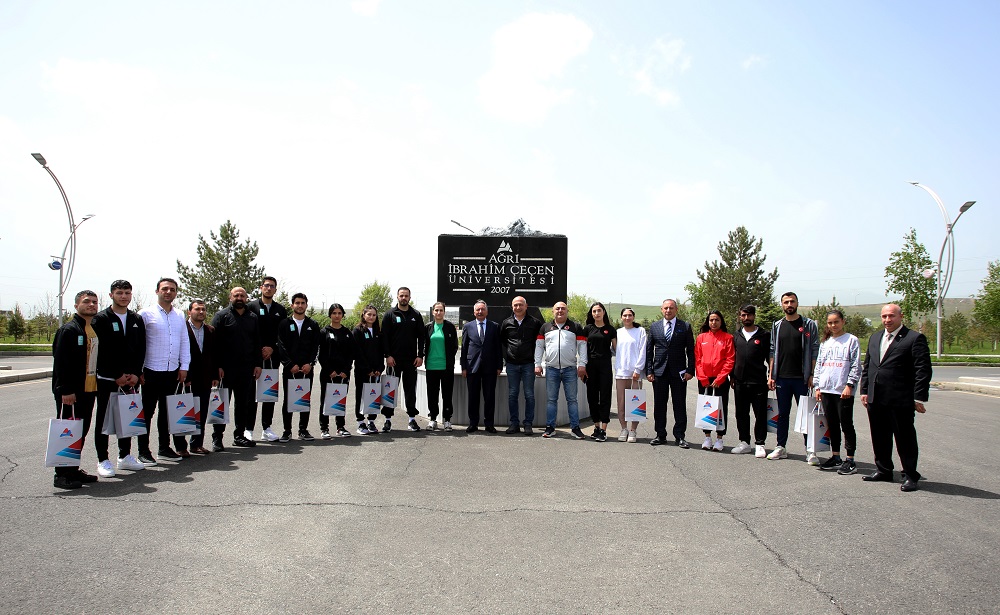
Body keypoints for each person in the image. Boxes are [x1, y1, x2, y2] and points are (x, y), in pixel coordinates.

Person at [860, 304, 931, 492]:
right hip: (876, 398)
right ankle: (883, 470)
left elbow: (922, 370)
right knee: (879, 436)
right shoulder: (875, 338)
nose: (887, 320)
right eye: (884, 316)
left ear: (901, 316)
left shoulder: (914, 338)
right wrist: (864, 390)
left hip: (900, 399)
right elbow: (868, 367)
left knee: (905, 438)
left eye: (891, 316)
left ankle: (910, 475)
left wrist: (919, 397)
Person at [91, 279, 147, 476]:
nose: (123, 296)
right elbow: (101, 351)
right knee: (104, 421)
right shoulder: (101, 319)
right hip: (108, 379)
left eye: (127, 293)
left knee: (128, 418)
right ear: (111, 295)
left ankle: (125, 456)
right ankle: (103, 459)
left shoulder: (136, 319)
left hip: (131, 380)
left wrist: (136, 373)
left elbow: (141, 348)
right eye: (119, 293)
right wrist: (116, 375)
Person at [51, 290, 101, 489]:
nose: (91, 305)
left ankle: (72, 469)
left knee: (80, 430)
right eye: (86, 302)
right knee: (66, 431)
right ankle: (61, 474)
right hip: (71, 392)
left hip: (89, 389)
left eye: (94, 302)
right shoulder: (69, 330)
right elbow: (61, 363)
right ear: (76, 305)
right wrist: (65, 390)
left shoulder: (92, 329)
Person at [138, 278, 191, 463]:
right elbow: (138, 344)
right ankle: (143, 451)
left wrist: (184, 367)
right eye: (165, 289)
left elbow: (184, 342)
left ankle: (164, 447)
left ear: (176, 293)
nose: (168, 292)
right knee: (147, 413)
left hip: (172, 372)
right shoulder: (145, 314)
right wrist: (139, 370)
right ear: (157, 291)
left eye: (172, 289)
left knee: (167, 413)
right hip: (151, 371)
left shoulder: (179, 314)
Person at [766, 291, 819, 460]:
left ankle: (810, 450)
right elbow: (773, 350)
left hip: (801, 378)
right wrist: (771, 375)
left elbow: (814, 351)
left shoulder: (808, 325)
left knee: (805, 414)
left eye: (792, 302)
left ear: (797, 303)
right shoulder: (777, 325)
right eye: (786, 302)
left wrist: (812, 374)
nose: (789, 305)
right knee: (782, 414)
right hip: (782, 377)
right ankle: (781, 446)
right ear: (782, 305)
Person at [210, 287, 262, 450]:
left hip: (246, 369)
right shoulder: (221, 316)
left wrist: (258, 364)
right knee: (221, 404)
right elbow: (213, 344)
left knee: (243, 404)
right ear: (230, 297)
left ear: (246, 298)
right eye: (236, 295)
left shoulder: (253, 317)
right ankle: (217, 438)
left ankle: (239, 435)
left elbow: (257, 343)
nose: (239, 298)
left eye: (242, 295)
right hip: (225, 370)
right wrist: (216, 366)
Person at [812, 309, 862, 474]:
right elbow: (819, 365)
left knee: (846, 425)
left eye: (836, 322)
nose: (833, 325)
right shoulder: (825, 343)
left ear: (843, 321)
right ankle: (836, 456)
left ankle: (850, 459)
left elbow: (856, 365)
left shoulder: (851, 340)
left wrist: (850, 385)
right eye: (830, 322)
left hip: (843, 391)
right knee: (832, 425)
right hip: (826, 389)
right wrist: (818, 387)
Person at [645, 299, 695, 448]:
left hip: (679, 373)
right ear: (661, 310)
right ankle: (660, 435)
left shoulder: (684, 326)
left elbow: (691, 351)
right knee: (660, 405)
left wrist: (690, 370)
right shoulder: (654, 327)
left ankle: (680, 436)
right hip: (659, 372)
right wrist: (649, 370)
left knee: (679, 405)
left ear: (676, 310)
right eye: (666, 308)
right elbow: (649, 351)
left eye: (671, 308)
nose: (668, 310)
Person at [534, 301, 588, 440]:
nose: (560, 311)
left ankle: (575, 428)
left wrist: (582, 364)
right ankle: (550, 428)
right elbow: (539, 347)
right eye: (557, 309)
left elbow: (582, 347)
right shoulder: (545, 327)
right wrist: (537, 364)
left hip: (570, 369)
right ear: (553, 311)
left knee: (572, 400)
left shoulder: (575, 327)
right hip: (551, 369)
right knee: (551, 400)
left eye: (563, 309)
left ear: (567, 311)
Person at [276, 293, 321, 442]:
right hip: (290, 370)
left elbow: (316, 347)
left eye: (302, 303)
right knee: (289, 399)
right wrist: (289, 365)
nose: (300, 305)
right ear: (292, 305)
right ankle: (287, 431)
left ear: (306, 305)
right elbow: (281, 346)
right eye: (297, 303)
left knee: (304, 399)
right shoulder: (284, 324)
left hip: (307, 369)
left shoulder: (313, 325)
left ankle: (303, 430)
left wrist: (310, 363)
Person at [381, 287, 427, 432]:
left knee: (410, 391)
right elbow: (384, 337)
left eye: (406, 296)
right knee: (390, 390)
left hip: (411, 361)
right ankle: (387, 420)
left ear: (410, 297)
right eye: (401, 295)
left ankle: (412, 419)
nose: (404, 298)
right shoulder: (390, 314)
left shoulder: (416, 315)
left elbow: (422, 337)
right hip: (393, 361)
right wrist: (387, 355)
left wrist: (420, 355)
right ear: (397, 297)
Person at [247, 276, 287, 442]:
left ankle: (266, 428)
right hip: (254, 357)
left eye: (272, 286)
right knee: (251, 394)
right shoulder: (252, 307)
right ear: (261, 287)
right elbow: (248, 332)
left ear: (275, 290)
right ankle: (248, 428)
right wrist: (259, 349)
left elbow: (283, 334)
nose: (269, 288)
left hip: (272, 356)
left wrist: (273, 347)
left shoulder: (280, 310)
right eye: (266, 285)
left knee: (268, 394)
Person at [730, 305, 772, 458]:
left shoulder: (764, 335)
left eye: (749, 315)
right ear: (740, 317)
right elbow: (732, 358)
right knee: (741, 413)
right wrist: (732, 376)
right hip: (740, 381)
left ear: (754, 316)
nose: (746, 318)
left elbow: (770, 358)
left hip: (758, 381)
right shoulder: (736, 335)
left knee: (760, 414)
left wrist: (770, 376)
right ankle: (744, 442)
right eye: (743, 315)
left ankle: (760, 444)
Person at [500, 296, 543, 435]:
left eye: (520, 305)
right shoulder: (506, 323)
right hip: (512, 365)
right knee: (512, 395)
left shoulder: (535, 323)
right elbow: (502, 342)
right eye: (515, 305)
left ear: (526, 306)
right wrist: (507, 357)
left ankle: (528, 424)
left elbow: (540, 344)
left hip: (528, 365)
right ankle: (514, 424)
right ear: (512, 307)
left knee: (529, 395)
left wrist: (538, 363)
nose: (518, 307)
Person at [694, 310, 735, 452]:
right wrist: (702, 377)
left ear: (721, 321)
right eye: (711, 320)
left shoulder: (728, 338)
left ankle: (719, 438)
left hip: (720, 379)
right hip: (705, 379)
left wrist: (721, 377)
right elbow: (697, 359)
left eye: (717, 319)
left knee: (720, 409)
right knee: (706, 407)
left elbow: (730, 359)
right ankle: (707, 437)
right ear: (708, 321)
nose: (714, 322)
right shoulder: (701, 337)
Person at [461, 300, 503, 433]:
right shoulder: (468, 326)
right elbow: (464, 347)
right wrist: (463, 367)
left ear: (487, 311)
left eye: (482, 309)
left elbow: (498, 347)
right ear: (474, 312)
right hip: (472, 367)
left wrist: (499, 365)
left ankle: (489, 424)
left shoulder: (494, 326)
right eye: (478, 310)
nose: (480, 312)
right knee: (473, 397)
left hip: (490, 367)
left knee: (489, 396)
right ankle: (473, 423)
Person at [317, 303, 357, 438]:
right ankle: (324, 428)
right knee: (326, 399)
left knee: (340, 399)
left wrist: (346, 370)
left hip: (343, 373)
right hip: (328, 373)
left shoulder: (347, 333)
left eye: (339, 313)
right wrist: (329, 370)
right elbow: (321, 354)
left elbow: (351, 354)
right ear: (330, 315)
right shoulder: (324, 332)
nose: (337, 316)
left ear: (343, 315)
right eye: (334, 313)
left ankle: (341, 427)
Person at [185, 299, 218, 455]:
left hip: (204, 378)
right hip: (186, 378)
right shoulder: (182, 329)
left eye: (203, 309)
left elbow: (213, 356)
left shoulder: (210, 330)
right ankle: (180, 446)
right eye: (197, 309)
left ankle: (196, 444)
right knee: (183, 411)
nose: (201, 312)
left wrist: (214, 375)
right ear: (189, 312)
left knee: (201, 411)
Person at [583, 302, 616, 442]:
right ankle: (596, 427)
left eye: (599, 311)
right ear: (591, 314)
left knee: (605, 397)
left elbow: (616, 350)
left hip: (605, 367)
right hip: (590, 367)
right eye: (594, 311)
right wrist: (582, 366)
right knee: (592, 396)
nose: (596, 313)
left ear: (603, 312)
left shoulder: (610, 329)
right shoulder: (587, 329)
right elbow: (582, 349)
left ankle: (603, 429)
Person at [614, 307, 646, 443]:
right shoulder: (617, 332)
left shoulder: (640, 331)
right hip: (621, 373)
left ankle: (633, 430)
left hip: (635, 374)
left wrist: (638, 369)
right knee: (621, 403)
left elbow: (643, 350)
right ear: (621, 317)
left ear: (633, 317)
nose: (627, 318)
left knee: (635, 403)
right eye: (625, 315)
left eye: (630, 315)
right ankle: (624, 428)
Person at [424, 302, 458, 431]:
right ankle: (433, 419)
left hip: (446, 367)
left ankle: (447, 420)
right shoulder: (427, 327)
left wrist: (448, 359)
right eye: (436, 310)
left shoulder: (449, 327)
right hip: (431, 366)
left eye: (441, 310)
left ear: (444, 312)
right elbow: (423, 344)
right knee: (432, 394)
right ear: (433, 312)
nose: (438, 313)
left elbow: (455, 346)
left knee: (447, 394)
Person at [353, 304, 384, 434]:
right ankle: (361, 422)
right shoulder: (357, 331)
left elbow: (380, 351)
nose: (371, 317)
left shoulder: (378, 331)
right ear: (363, 315)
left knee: (373, 395)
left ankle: (371, 421)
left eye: (374, 315)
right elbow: (358, 352)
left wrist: (379, 368)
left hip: (376, 371)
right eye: (369, 314)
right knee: (361, 396)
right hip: (362, 370)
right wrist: (367, 369)